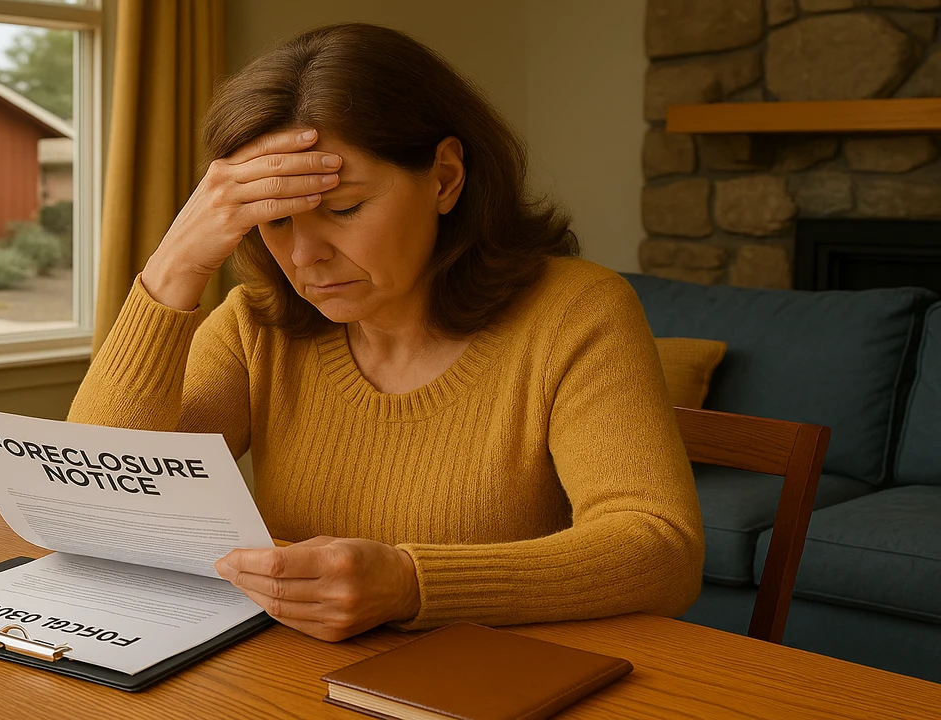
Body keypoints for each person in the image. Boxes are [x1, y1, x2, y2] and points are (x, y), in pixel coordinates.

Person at [69, 22, 704, 642]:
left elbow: (661, 549)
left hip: (492, 679)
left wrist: (411, 584)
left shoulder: (576, 312)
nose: (304, 256)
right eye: (276, 220)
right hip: (286, 674)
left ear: (445, 177)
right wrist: (174, 267)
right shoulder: (255, 323)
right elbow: (90, 503)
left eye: (344, 208)